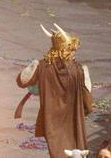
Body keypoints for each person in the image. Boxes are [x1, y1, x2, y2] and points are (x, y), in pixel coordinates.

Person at [16, 25, 92, 158]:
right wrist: (86, 109)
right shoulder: (78, 70)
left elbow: (21, 81)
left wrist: (35, 66)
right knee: (73, 151)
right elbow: (87, 98)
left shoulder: (42, 66)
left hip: (50, 120)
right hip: (72, 120)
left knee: (57, 150)